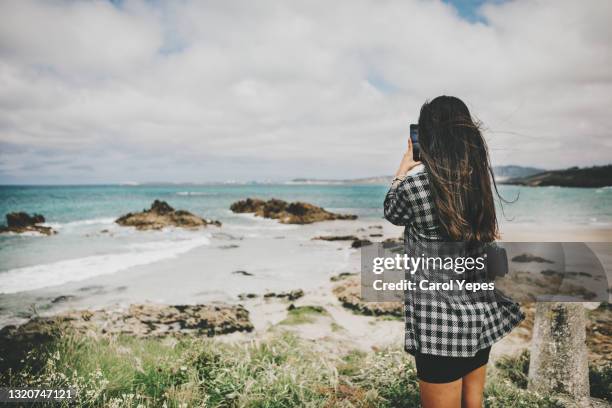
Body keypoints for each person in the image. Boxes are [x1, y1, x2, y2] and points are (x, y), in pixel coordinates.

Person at [384, 96, 524, 408]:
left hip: (440, 327)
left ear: (429, 138)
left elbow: (392, 211)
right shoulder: (477, 181)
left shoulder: (417, 184)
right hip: (479, 316)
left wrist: (402, 168)